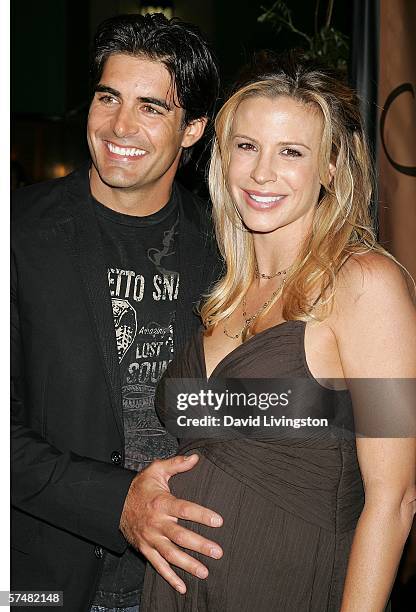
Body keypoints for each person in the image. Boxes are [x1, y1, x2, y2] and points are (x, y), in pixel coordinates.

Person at [141, 53, 416, 611]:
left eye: (291, 152)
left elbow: (396, 498)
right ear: (223, 157)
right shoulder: (222, 295)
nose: (262, 172)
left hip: (293, 585)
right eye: (247, 147)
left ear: (332, 167)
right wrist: (142, 488)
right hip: (178, 591)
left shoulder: (366, 285)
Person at [11, 13, 226, 612]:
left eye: (152, 107)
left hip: (187, 581)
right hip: (40, 583)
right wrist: (116, 502)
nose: (120, 125)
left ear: (193, 129)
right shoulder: (18, 232)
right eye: (108, 97)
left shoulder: (227, 249)